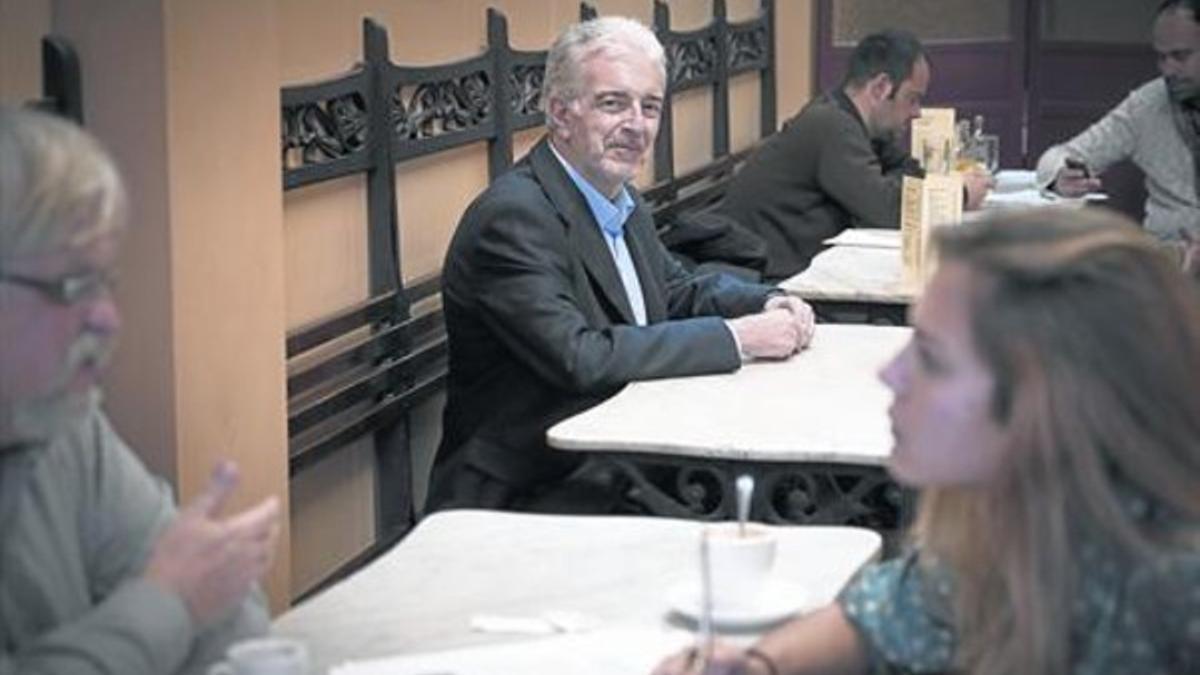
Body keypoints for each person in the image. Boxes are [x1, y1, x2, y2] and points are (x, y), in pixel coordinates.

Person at [652, 207, 1200, 675]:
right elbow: (881, 616)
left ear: (1050, 401)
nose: (891, 374)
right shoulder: (1013, 526)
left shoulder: (1174, 596)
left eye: (932, 358)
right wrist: (758, 665)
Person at [429, 17, 815, 513]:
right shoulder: (514, 218)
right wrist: (738, 338)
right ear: (560, 113)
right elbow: (580, 357)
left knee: (770, 480)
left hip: (616, 456)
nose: (636, 125)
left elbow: (672, 289)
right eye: (613, 103)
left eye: (649, 107)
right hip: (531, 488)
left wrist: (766, 299)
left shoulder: (615, 196)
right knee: (755, 503)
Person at [0, 107, 281, 674]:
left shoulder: (65, 423)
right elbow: (185, 595)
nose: (108, 318)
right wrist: (169, 602)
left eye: (106, 281)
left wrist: (183, 596)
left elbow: (229, 612)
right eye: (72, 283)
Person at [717, 30, 991, 280]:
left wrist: (897, 184)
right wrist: (960, 193)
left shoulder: (856, 122)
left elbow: (906, 169)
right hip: (758, 276)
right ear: (881, 87)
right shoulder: (831, 124)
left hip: (788, 265)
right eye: (912, 98)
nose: (917, 112)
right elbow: (886, 210)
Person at [1037, 0, 1200, 241]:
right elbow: (1057, 157)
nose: (1168, 70)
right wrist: (1060, 176)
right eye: (1162, 58)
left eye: (1180, 56)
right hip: (1166, 262)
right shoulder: (1148, 104)